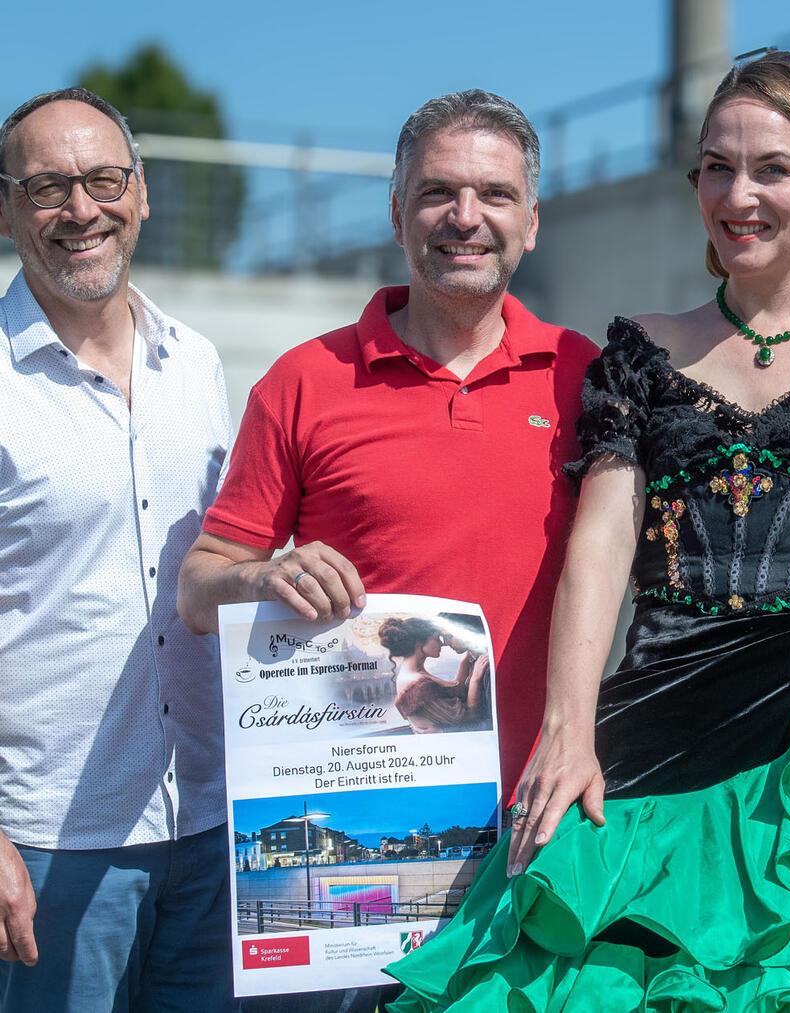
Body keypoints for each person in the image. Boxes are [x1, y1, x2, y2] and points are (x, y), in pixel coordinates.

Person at [384, 51, 790, 1012]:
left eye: (771, 169)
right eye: (716, 167)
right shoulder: (639, 351)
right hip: (648, 722)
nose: (737, 195)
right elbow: (602, 548)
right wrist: (569, 732)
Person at [176, 90, 596, 1013]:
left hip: (538, 831)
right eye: (438, 192)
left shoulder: (587, 377)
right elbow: (199, 588)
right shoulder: (304, 379)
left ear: (531, 219)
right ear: (397, 212)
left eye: (493, 193)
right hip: (365, 823)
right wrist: (262, 572)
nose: (465, 217)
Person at [0, 88, 232, 1011]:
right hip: (50, 840)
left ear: (141, 194)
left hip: (210, 826)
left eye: (102, 180)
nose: (81, 209)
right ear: (8, 206)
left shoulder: (200, 364)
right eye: (49, 187)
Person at [378, 617, 490, 732]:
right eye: (437, 638)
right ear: (419, 643)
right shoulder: (419, 685)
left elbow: (455, 691)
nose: (442, 643)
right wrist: (475, 679)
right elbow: (470, 716)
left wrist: (466, 659)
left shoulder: (413, 673)